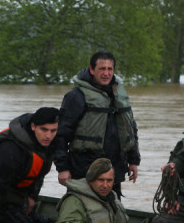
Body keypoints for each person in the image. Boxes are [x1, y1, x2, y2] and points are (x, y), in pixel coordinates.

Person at [55, 50, 140, 197]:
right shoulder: (76, 97)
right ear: (92, 69)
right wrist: (62, 168)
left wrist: (133, 160)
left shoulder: (119, 95)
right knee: (80, 210)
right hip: (83, 168)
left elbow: (130, 129)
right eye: (102, 69)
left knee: (113, 213)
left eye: (110, 69)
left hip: (113, 168)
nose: (106, 73)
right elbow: (60, 135)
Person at [56, 158, 130, 223]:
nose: (105, 185)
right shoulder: (75, 200)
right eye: (101, 180)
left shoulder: (113, 198)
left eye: (109, 180)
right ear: (90, 181)